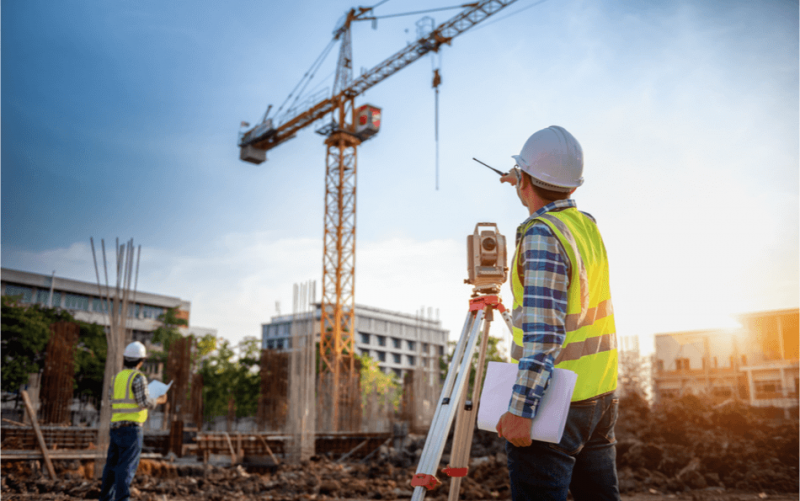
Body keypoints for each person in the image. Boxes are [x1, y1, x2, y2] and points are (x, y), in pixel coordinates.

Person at [495, 126, 619, 501]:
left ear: (526, 180)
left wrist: (520, 409)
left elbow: (546, 334)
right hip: (599, 396)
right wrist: (525, 179)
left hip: (555, 404)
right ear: (574, 186)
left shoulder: (541, 234)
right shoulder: (585, 226)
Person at [99, 341, 168, 501]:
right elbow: (143, 402)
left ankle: (105, 499)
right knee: (126, 467)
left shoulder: (116, 378)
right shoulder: (138, 377)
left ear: (124, 359)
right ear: (141, 361)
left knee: (111, 466)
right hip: (131, 429)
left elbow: (111, 400)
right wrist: (158, 400)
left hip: (115, 427)